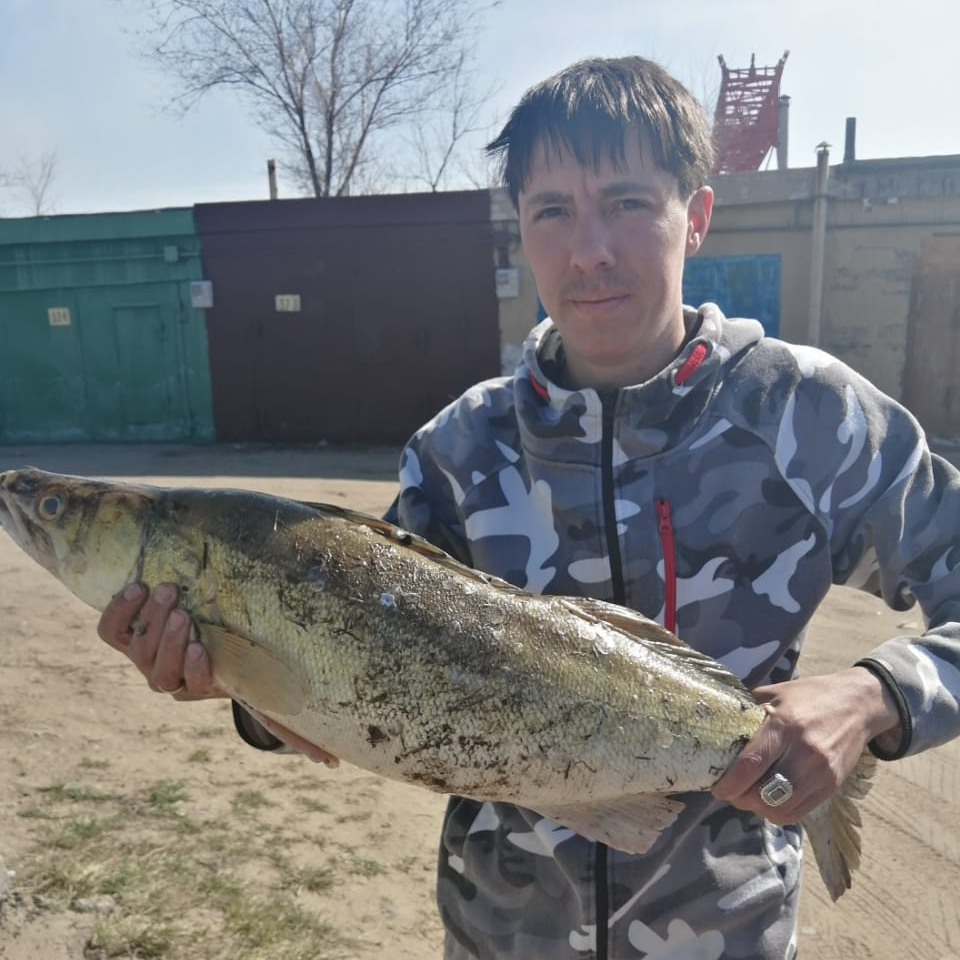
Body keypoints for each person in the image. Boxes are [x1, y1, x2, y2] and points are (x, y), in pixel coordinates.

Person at [97, 56, 960, 960]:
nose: (590, 249)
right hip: (498, 936)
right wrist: (229, 676)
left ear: (694, 216)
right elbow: (342, 667)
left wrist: (872, 697)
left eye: (627, 202)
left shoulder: (807, 415)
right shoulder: (458, 450)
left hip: (724, 938)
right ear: (520, 232)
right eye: (553, 211)